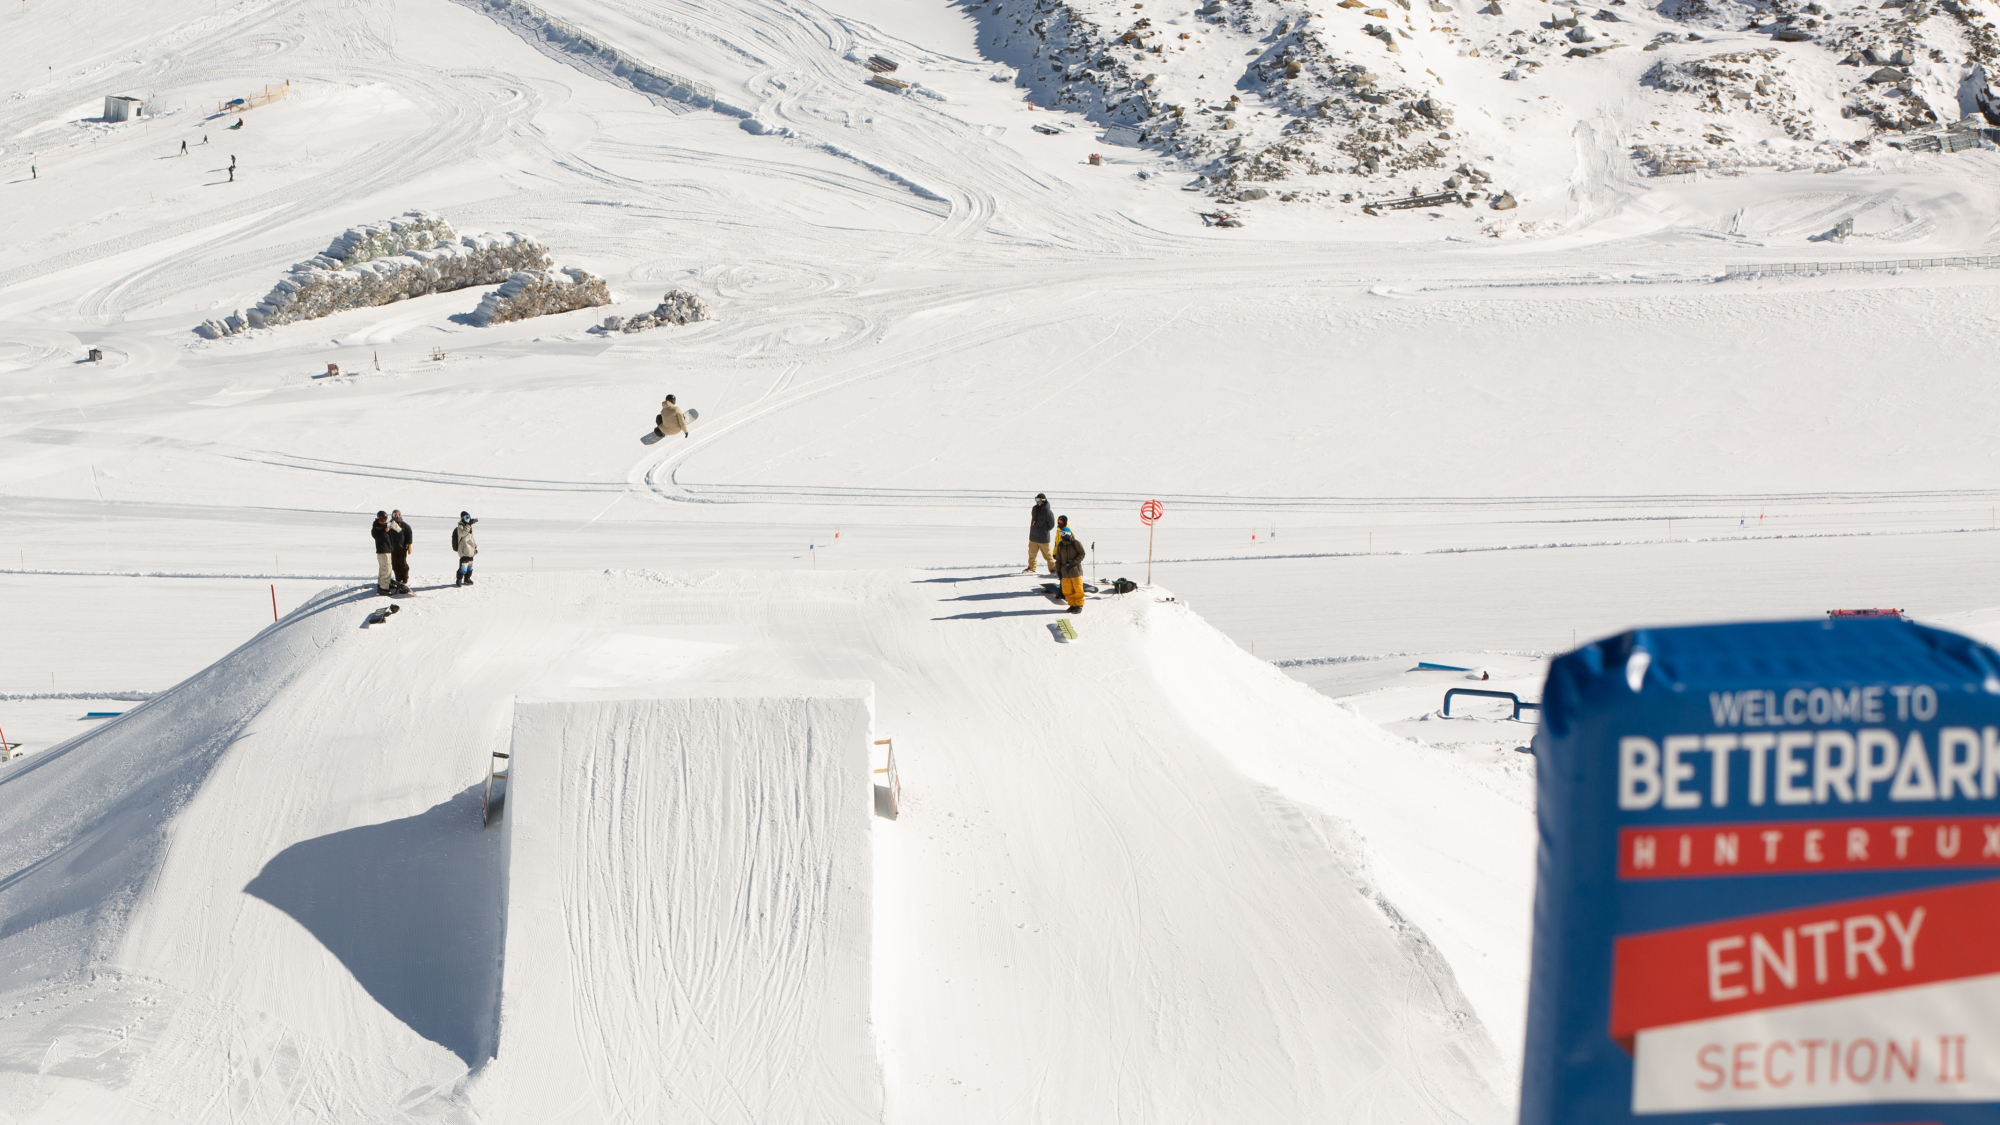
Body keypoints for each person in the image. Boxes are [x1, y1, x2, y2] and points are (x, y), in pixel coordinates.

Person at [1054, 523, 1087, 614]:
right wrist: (1058, 571)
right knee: (1066, 590)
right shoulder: (1060, 545)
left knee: (1078, 589)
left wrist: (1074, 561)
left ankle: (1079, 605)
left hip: (1075, 571)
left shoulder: (1076, 543)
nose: (1062, 536)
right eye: (1061, 534)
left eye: (1063, 534)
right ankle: (1072, 605)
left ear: (1068, 534)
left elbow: (1082, 554)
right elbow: (1058, 559)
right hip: (1064, 572)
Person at [1022, 493, 1055, 574]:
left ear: (1043, 501)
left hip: (1043, 538)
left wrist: (1044, 530)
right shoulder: (1034, 509)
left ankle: (1053, 569)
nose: (1037, 502)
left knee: (1047, 556)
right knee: (1031, 555)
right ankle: (1031, 568)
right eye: (1036, 499)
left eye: (1038, 500)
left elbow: (1051, 524)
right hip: (1033, 536)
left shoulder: (1047, 511)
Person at [370, 511, 395, 595]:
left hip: (387, 550)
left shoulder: (383, 526)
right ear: (378, 519)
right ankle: (384, 589)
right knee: (386, 570)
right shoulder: (376, 528)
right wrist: (385, 531)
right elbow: (377, 536)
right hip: (383, 551)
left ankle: (382, 585)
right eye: (382, 520)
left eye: (385, 520)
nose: (383, 521)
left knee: (383, 569)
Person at [388, 509, 413, 591]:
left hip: (402, 548)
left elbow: (409, 535)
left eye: (398, 515)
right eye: (395, 515)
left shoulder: (405, 526)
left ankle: (405, 579)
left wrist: (409, 545)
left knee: (403, 563)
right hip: (392, 549)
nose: (397, 517)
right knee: (395, 564)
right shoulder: (389, 525)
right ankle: (398, 579)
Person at [452, 512, 478, 587]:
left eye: (468, 516)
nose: (467, 518)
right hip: (463, 549)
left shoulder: (469, 527)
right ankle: (459, 579)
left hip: (470, 549)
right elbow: (462, 533)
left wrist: (475, 547)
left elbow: (471, 538)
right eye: (465, 517)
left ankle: (467, 578)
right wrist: (468, 525)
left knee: (470, 566)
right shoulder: (460, 527)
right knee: (463, 565)